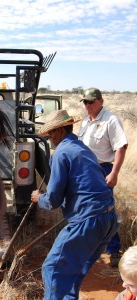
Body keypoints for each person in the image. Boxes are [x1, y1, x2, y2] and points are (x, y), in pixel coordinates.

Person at [31, 109, 118, 300]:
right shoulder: (82, 147)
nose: (50, 138)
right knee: (74, 268)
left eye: (52, 133)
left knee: (53, 268)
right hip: (109, 219)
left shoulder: (61, 152)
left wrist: (39, 198)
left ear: (61, 131)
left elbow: (53, 199)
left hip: (88, 220)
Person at [78, 87, 128, 267]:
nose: (88, 105)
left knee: (106, 210)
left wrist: (114, 172)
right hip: (84, 171)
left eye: (91, 101)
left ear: (101, 101)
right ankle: (90, 247)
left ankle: (114, 250)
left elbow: (120, 147)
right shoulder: (85, 122)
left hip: (103, 170)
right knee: (85, 209)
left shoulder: (111, 120)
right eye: (85, 102)